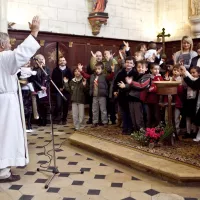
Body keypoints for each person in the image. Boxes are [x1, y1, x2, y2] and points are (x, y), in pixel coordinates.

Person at [0, 16, 40, 182]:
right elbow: (21, 54)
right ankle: (3, 171)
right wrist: (34, 32)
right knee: (6, 135)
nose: (11, 46)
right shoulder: (4, 57)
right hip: (5, 104)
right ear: (2, 45)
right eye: (9, 43)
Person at [180, 65, 200, 142]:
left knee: (195, 117)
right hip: (188, 100)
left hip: (194, 101)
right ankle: (189, 132)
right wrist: (184, 73)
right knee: (188, 117)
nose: (192, 74)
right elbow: (188, 83)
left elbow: (193, 83)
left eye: (194, 72)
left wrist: (185, 72)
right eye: (191, 72)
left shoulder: (197, 79)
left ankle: (194, 132)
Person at [52, 56, 72, 125]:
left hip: (66, 91)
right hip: (58, 90)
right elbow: (53, 81)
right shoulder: (55, 70)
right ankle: (58, 118)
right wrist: (59, 87)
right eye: (61, 60)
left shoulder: (69, 70)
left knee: (66, 105)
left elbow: (70, 80)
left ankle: (64, 119)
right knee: (59, 104)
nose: (62, 62)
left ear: (65, 61)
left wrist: (65, 87)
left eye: (63, 60)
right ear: (58, 62)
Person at [32, 54, 50, 126]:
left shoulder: (47, 69)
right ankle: (40, 120)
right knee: (39, 105)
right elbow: (34, 80)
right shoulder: (34, 69)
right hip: (38, 89)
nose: (42, 60)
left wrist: (46, 87)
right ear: (37, 61)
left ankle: (45, 120)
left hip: (45, 90)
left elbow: (48, 79)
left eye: (43, 59)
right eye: (40, 59)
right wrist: (40, 87)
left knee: (44, 105)